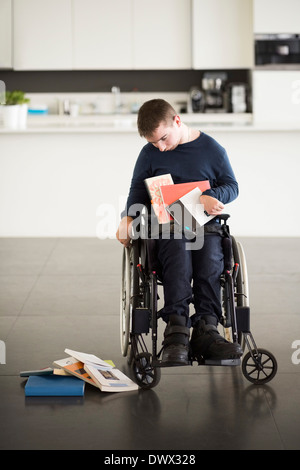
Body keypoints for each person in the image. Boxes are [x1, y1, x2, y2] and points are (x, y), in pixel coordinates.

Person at [116, 99, 243, 366]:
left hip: (205, 227)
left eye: (163, 139)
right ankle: (176, 330)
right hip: (167, 229)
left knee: (209, 260)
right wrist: (127, 219)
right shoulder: (149, 154)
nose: (160, 147)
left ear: (177, 121)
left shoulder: (211, 149)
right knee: (177, 254)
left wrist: (212, 195)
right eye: (154, 143)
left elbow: (232, 185)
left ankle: (207, 329)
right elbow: (137, 191)